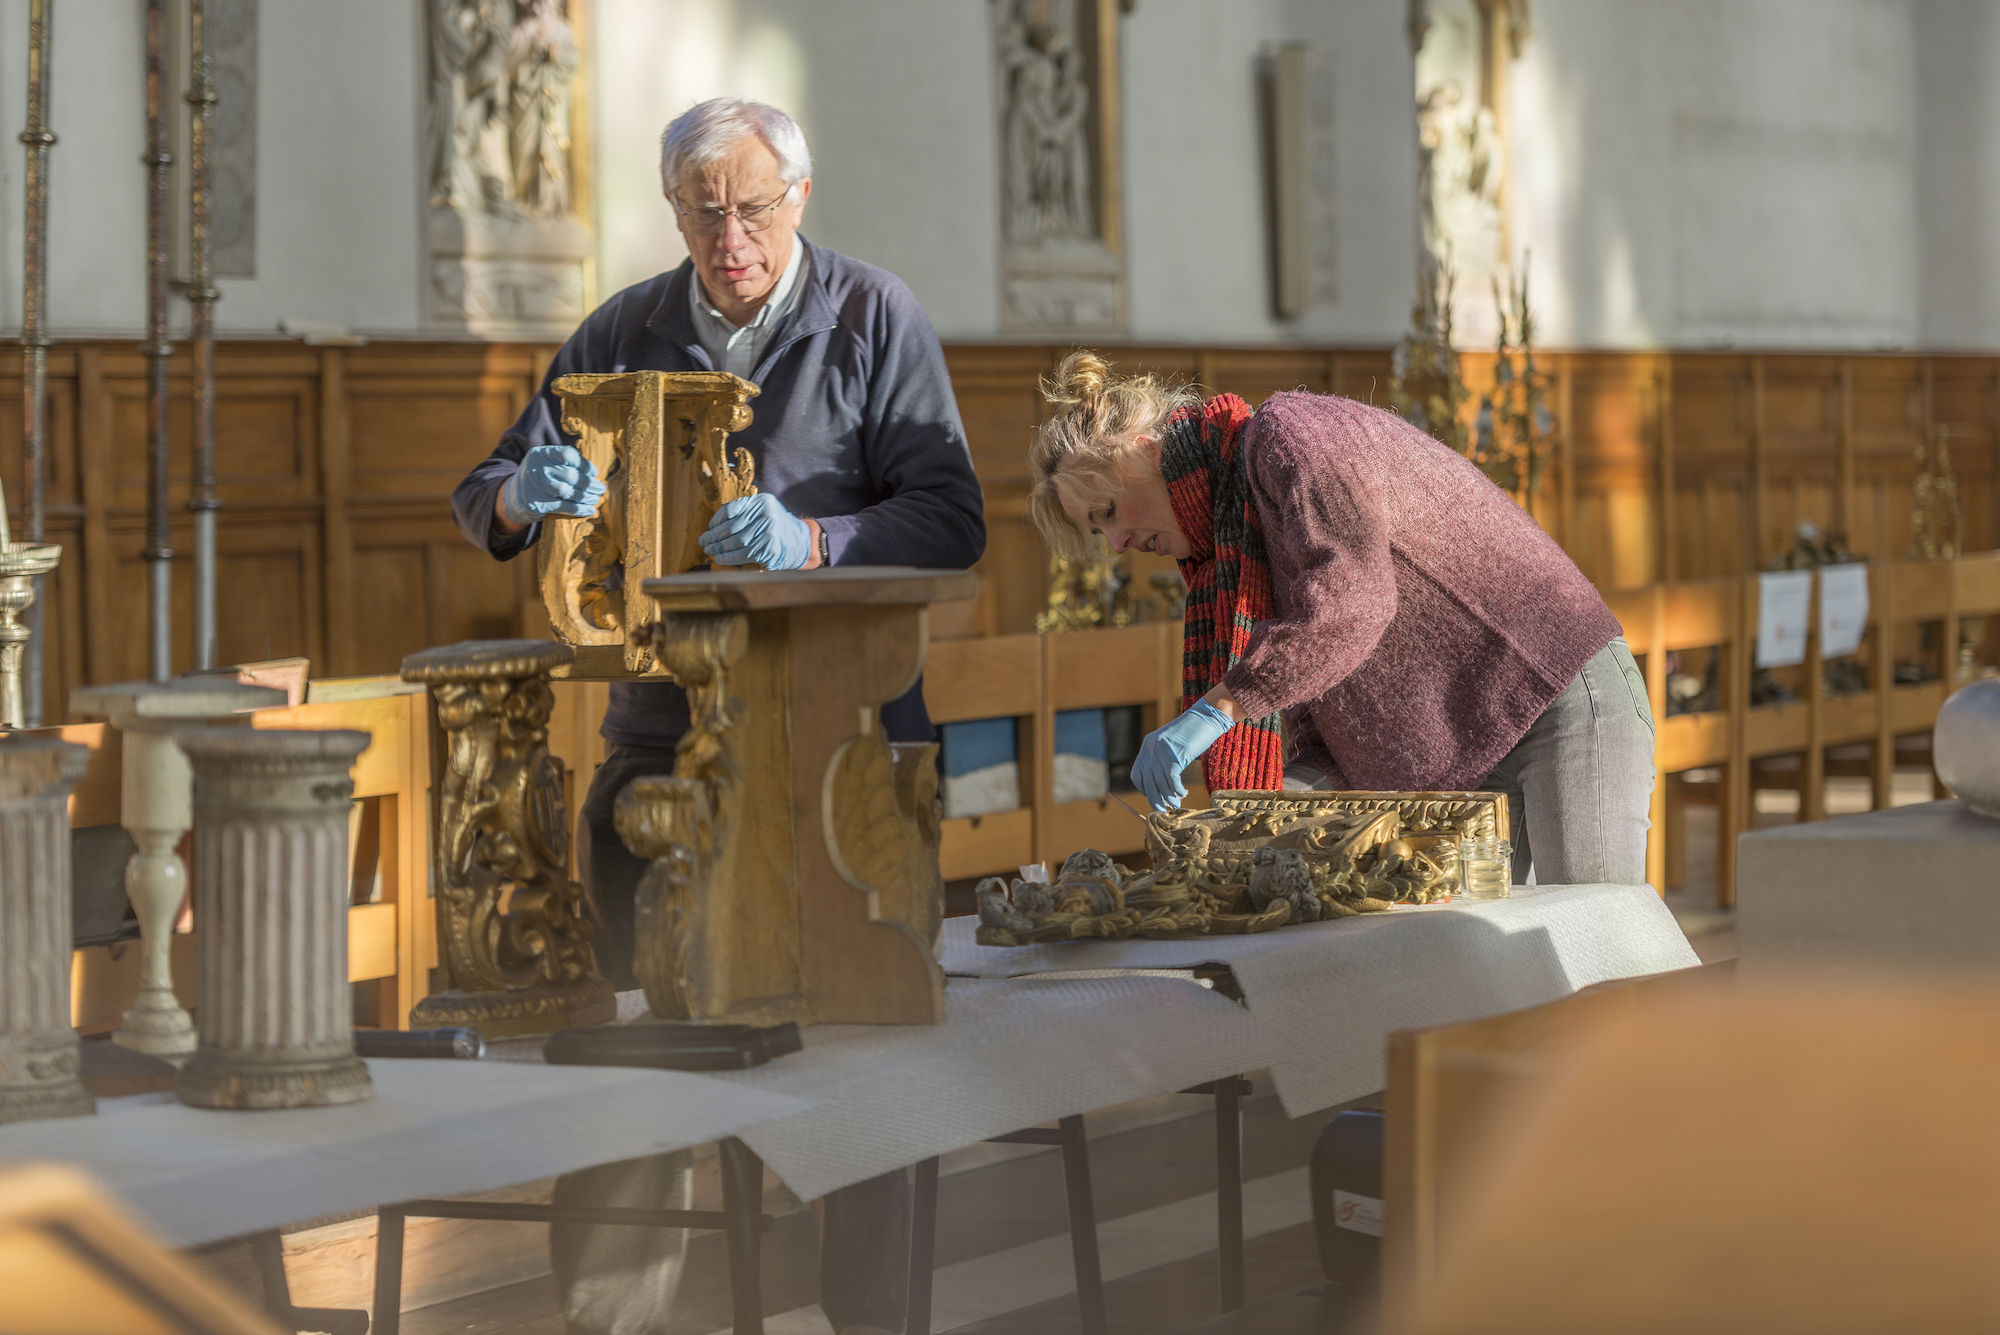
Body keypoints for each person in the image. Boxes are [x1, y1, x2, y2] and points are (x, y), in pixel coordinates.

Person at [453, 97, 984, 1335]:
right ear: (674, 210)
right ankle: (613, 1321)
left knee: (868, 1050)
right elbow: (486, 491)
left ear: (801, 199)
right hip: (660, 740)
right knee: (638, 1054)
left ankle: (872, 1316)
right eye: (703, 212)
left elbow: (950, 514)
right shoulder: (620, 327)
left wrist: (816, 539)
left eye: (751, 209)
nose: (728, 237)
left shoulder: (871, 316)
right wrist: (524, 498)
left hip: (845, 745)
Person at [1026, 352, 1654, 887]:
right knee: (1482, 973)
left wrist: (1218, 710)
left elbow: (1352, 607)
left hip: (1555, 689)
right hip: (1462, 744)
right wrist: (1254, 820)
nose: (1115, 545)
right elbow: (1330, 735)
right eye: (1097, 531)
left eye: (1107, 512)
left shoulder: (1289, 434)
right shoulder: (1227, 553)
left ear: (1143, 451)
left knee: (1596, 949)